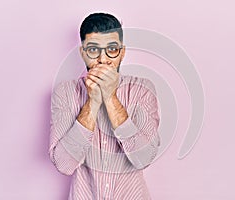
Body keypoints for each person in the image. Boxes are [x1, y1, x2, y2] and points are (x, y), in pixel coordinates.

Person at [49, 12, 160, 200]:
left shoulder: (142, 89)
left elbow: (143, 158)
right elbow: (64, 164)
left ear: (122, 53)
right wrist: (92, 103)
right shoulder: (65, 92)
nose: (103, 59)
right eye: (93, 50)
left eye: (112, 49)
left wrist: (110, 98)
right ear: (83, 53)